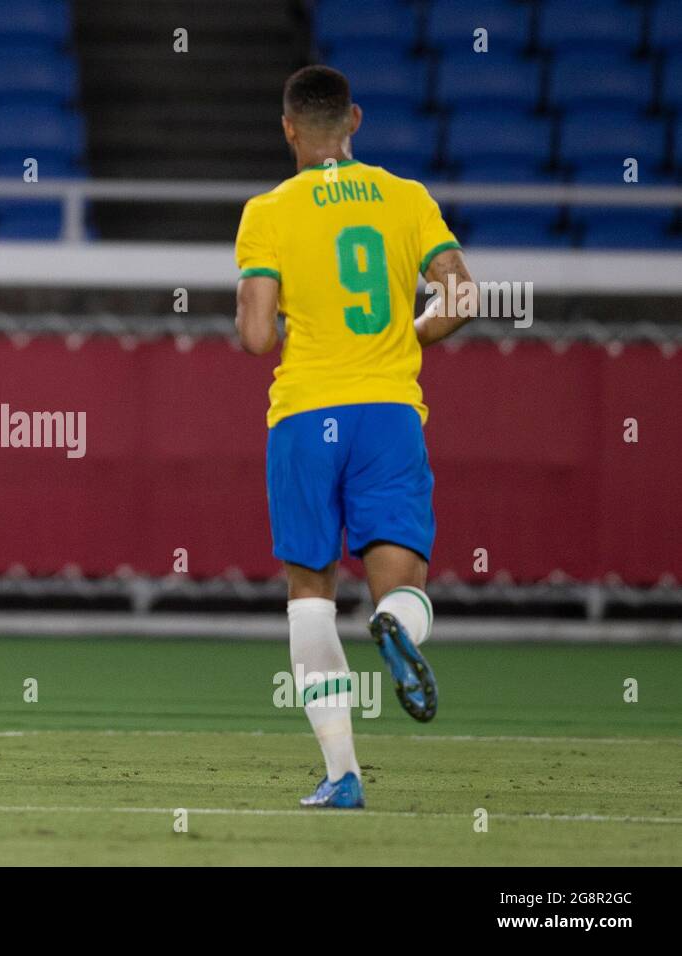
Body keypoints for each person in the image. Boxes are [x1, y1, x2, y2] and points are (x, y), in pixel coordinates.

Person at [234, 66, 476, 808]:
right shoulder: (407, 199)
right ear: (355, 120)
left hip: (307, 414)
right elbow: (464, 294)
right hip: (388, 412)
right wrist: (409, 334)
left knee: (309, 595)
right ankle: (395, 624)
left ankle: (342, 776)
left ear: (287, 129)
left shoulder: (267, 212)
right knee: (402, 584)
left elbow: (252, 336)